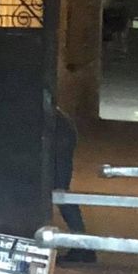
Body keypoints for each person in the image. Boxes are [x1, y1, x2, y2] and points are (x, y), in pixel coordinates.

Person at [54, 106, 96, 264]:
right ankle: (83, 247)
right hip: (59, 137)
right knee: (61, 194)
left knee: (61, 194)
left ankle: (82, 247)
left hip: (58, 139)